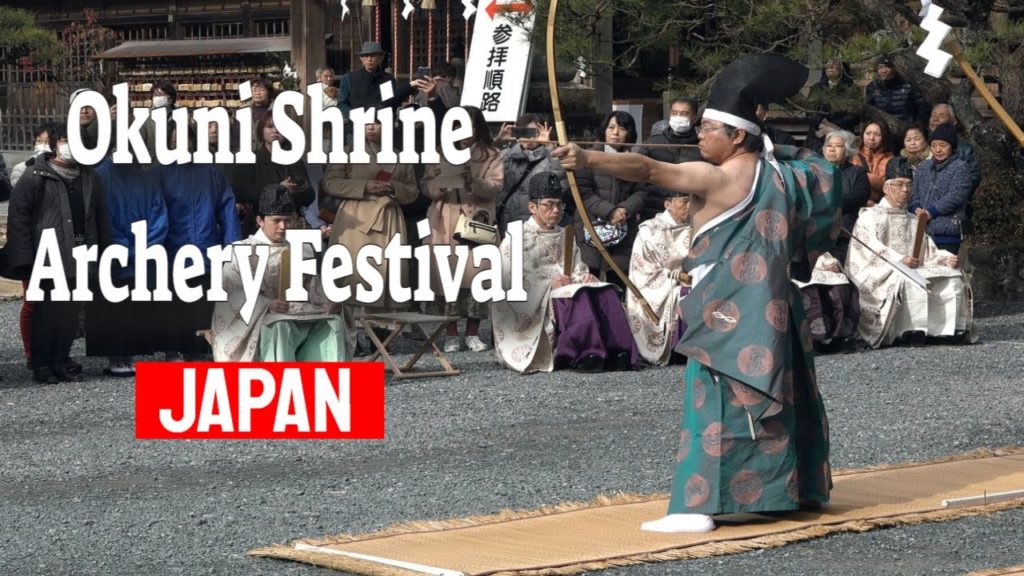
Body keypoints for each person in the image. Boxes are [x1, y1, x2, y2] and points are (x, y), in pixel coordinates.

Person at [554, 53, 837, 533]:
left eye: (709, 128)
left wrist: (587, 159)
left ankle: (697, 507)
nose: (699, 135)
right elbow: (824, 178)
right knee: (779, 395)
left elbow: (648, 170)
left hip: (727, 312)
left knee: (717, 402)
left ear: (738, 136)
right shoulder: (783, 175)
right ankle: (786, 492)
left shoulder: (717, 176)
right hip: (772, 308)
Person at [491, 174, 639, 374]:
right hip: (538, 298)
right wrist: (548, 284)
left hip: (565, 286)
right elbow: (508, 279)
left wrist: (583, 276)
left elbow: (576, 267)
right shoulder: (516, 237)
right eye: (549, 205)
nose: (556, 210)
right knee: (576, 296)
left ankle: (618, 350)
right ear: (532, 207)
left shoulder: (565, 235)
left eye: (559, 205)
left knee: (604, 291)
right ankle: (584, 353)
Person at [6, 123, 112, 384]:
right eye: (64, 139)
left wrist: (103, 252)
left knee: (70, 314)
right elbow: (18, 217)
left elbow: (100, 218)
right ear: (54, 144)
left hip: (81, 254)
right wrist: (24, 257)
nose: (70, 145)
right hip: (47, 255)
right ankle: (41, 364)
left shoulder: (89, 176)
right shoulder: (35, 175)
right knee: (46, 313)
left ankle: (61, 359)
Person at [210, 186, 348, 362]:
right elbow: (231, 293)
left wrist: (328, 301)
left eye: (287, 220)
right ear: (260, 221)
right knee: (280, 325)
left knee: (333, 323)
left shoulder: (301, 248)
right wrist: (266, 304)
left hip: (299, 316)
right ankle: (279, 376)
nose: (283, 227)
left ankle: (328, 377)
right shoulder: (240, 252)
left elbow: (312, 286)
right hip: (261, 323)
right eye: (276, 221)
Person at [846, 157, 973, 348]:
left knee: (952, 276)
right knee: (910, 278)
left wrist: (945, 258)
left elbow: (928, 250)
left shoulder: (914, 219)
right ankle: (909, 330)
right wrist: (900, 259)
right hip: (882, 271)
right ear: (887, 187)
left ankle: (947, 330)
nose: (905, 190)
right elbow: (869, 247)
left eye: (908, 185)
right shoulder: (870, 216)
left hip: (911, 267)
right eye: (899, 185)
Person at [320, 114, 419, 352]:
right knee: (350, 275)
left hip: (388, 217)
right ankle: (349, 339)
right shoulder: (347, 152)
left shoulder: (400, 155)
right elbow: (330, 183)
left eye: (376, 122)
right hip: (355, 218)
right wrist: (364, 186)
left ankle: (380, 336)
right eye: (366, 122)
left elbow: (413, 190)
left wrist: (394, 188)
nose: (371, 126)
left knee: (385, 275)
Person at [421, 106, 504, 353]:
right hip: (443, 219)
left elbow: (496, 186)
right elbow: (425, 187)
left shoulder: (491, 154)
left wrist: (472, 181)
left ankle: (473, 332)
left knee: (477, 275)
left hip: (475, 218)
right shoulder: (439, 151)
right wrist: (438, 182)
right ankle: (450, 334)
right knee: (446, 277)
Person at [158, 127, 243, 359]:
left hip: (206, 249)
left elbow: (228, 211)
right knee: (173, 304)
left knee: (202, 305)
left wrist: (232, 249)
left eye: (185, 138)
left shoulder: (211, 173)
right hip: (172, 251)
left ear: (194, 142)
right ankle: (172, 352)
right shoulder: (160, 174)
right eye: (174, 139)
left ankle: (196, 352)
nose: (180, 143)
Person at [91, 154, 169, 376]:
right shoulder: (99, 176)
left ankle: (130, 354)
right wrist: (127, 248)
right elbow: (99, 219)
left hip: (140, 256)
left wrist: (142, 247)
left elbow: (159, 216)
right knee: (113, 308)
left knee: (136, 307)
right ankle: (116, 356)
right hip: (114, 256)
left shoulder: (145, 178)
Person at [574, 111, 647, 292]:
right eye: (611, 127)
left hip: (623, 227)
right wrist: (609, 211)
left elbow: (641, 192)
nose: (615, 133)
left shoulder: (635, 160)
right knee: (587, 285)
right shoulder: (589, 157)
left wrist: (624, 209)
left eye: (622, 129)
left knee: (618, 287)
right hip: (591, 225)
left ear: (629, 133)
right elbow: (583, 193)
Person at [626, 189, 692, 366]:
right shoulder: (649, 230)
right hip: (658, 285)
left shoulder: (698, 227)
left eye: (693, 201)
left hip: (690, 279)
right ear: (668, 204)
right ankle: (679, 347)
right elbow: (644, 270)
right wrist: (676, 277)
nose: (690, 206)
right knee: (685, 293)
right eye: (684, 201)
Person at [231, 111, 315, 235]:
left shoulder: (295, 161)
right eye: (270, 126)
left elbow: (309, 198)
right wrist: (277, 189)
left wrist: (302, 189)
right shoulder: (250, 160)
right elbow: (240, 192)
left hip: (291, 226)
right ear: (261, 131)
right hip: (259, 226)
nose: (275, 130)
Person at [495, 113, 567, 234]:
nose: (530, 139)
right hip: (504, 221)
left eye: (534, 133)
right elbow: (482, 167)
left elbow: (562, 184)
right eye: (524, 132)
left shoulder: (550, 158)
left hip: (535, 223)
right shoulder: (506, 155)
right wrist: (497, 142)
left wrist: (549, 146)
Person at [909, 124, 973, 255]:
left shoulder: (960, 167)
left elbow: (955, 196)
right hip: (921, 231)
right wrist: (916, 208)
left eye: (943, 145)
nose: (938, 150)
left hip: (948, 233)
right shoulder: (923, 167)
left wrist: (931, 212)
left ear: (952, 147)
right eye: (934, 145)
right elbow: (914, 194)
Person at [635, 97, 702, 220]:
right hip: (653, 209)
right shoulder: (652, 144)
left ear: (694, 117)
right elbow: (639, 179)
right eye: (674, 113)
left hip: (691, 211)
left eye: (684, 114)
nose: (678, 117)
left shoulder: (702, 147)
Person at [928, 103, 982, 234]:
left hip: (954, 211)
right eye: (933, 115)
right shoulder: (920, 143)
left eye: (941, 115)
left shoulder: (964, 150)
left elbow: (973, 178)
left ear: (954, 121)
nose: (935, 119)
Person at [821, 129, 870, 264]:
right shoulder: (813, 171)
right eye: (829, 145)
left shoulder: (857, 172)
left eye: (838, 146)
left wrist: (829, 201)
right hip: (816, 230)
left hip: (844, 231)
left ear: (847, 150)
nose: (832, 149)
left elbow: (860, 196)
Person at [804, 59, 862, 154]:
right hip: (818, 133)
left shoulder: (852, 89)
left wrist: (833, 128)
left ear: (842, 68)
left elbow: (855, 114)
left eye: (834, 65)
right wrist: (821, 124)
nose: (830, 68)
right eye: (827, 65)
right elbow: (809, 111)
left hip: (843, 132)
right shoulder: (817, 88)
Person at [865, 55, 930, 126]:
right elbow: (869, 110)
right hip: (882, 129)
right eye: (880, 67)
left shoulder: (909, 85)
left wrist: (916, 127)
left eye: (887, 67)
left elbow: (923, 109)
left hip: (907, 129)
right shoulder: (873, 87)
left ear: (895, 68)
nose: (883, 71)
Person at [851, 121, 895, 205]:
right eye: (868, 133)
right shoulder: (854, 156)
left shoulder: (891, 160)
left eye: (877, 135)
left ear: (884, 137)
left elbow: (889, 188)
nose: (871, 138)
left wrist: (864, 176)